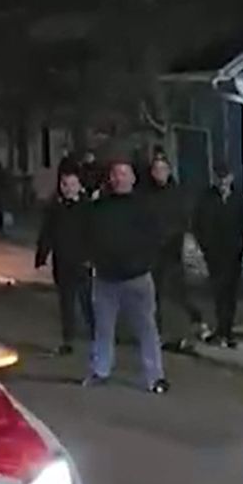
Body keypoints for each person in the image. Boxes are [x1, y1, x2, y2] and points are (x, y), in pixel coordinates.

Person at [83, 160, 168, 394]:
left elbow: (156, 237)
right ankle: (101, 370)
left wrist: (144, 262)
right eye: (115, 174)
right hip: (105, 278)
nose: (119, 178)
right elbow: (88, 235)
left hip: (137, 277)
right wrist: (93, 259)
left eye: (124, 174)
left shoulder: (144, 206)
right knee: (103, 328)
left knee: (146, 327)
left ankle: (155, 376)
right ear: (110, 178)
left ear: (133, 178)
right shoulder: (99, 207)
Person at [146, 155, 203, 350]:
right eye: (156, 170)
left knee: (178, 290)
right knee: (154, 292)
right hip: (153, 250)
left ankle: (194, 319)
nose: (159, 173)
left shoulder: (178, 194)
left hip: (173, 249)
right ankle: (157, 331)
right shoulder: (147, 195)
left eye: (162, 169)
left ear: (169, 171)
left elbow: (184, 219)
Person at [193, 164, 243, 347]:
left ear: (231, 178)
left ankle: (227, 330)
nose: (222, 181)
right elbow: (198, 222)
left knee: (230, 292)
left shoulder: (239, 198)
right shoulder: (206, 198)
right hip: (214, 252)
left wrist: (240, 242)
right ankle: (221, 329)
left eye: (225, 177)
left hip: (233, 252)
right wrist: (204, 245)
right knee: (219, 292)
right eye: (219, 177)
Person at [35, 171, 94, 355]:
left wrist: (93, 258)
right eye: (64, 184)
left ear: (79, 186)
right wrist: (41, 256)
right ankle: (68, 340)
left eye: (72, 184)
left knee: (87, 301)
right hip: (62, 262)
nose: (68, 189)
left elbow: (95, 234)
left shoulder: (88, 208)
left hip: (83, 263)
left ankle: (97, 335)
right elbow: (47, 232)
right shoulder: (55, 208)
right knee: (66, 303)